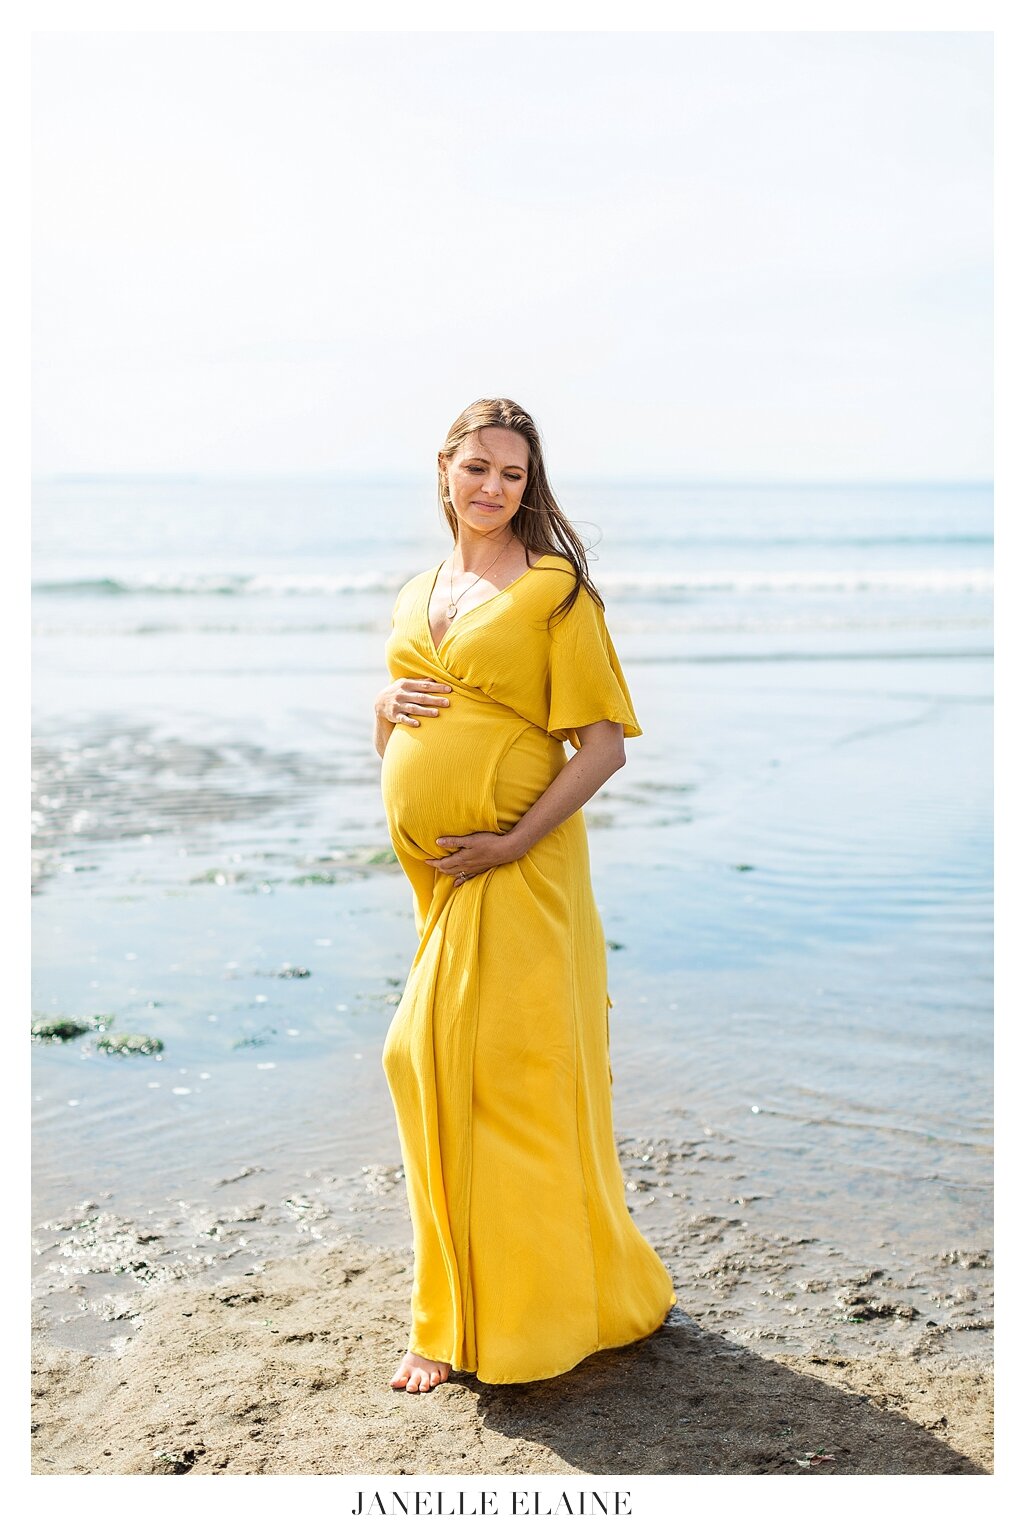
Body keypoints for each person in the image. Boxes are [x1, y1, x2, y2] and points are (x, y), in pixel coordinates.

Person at [373, 398, 676, 1393]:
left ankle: (509, 1318)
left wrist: (510, 838)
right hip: (441, 877)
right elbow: (399, 739)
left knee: (485, 1075)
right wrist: (382, 707)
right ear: (444, 470)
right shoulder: (420, 588)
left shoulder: (554, 592)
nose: (492, 486)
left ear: (529, 483)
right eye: (477, 467)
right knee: (434, 1071)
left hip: (521, 867)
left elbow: (601, 746)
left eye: (511, 472)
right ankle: (450, 1313)